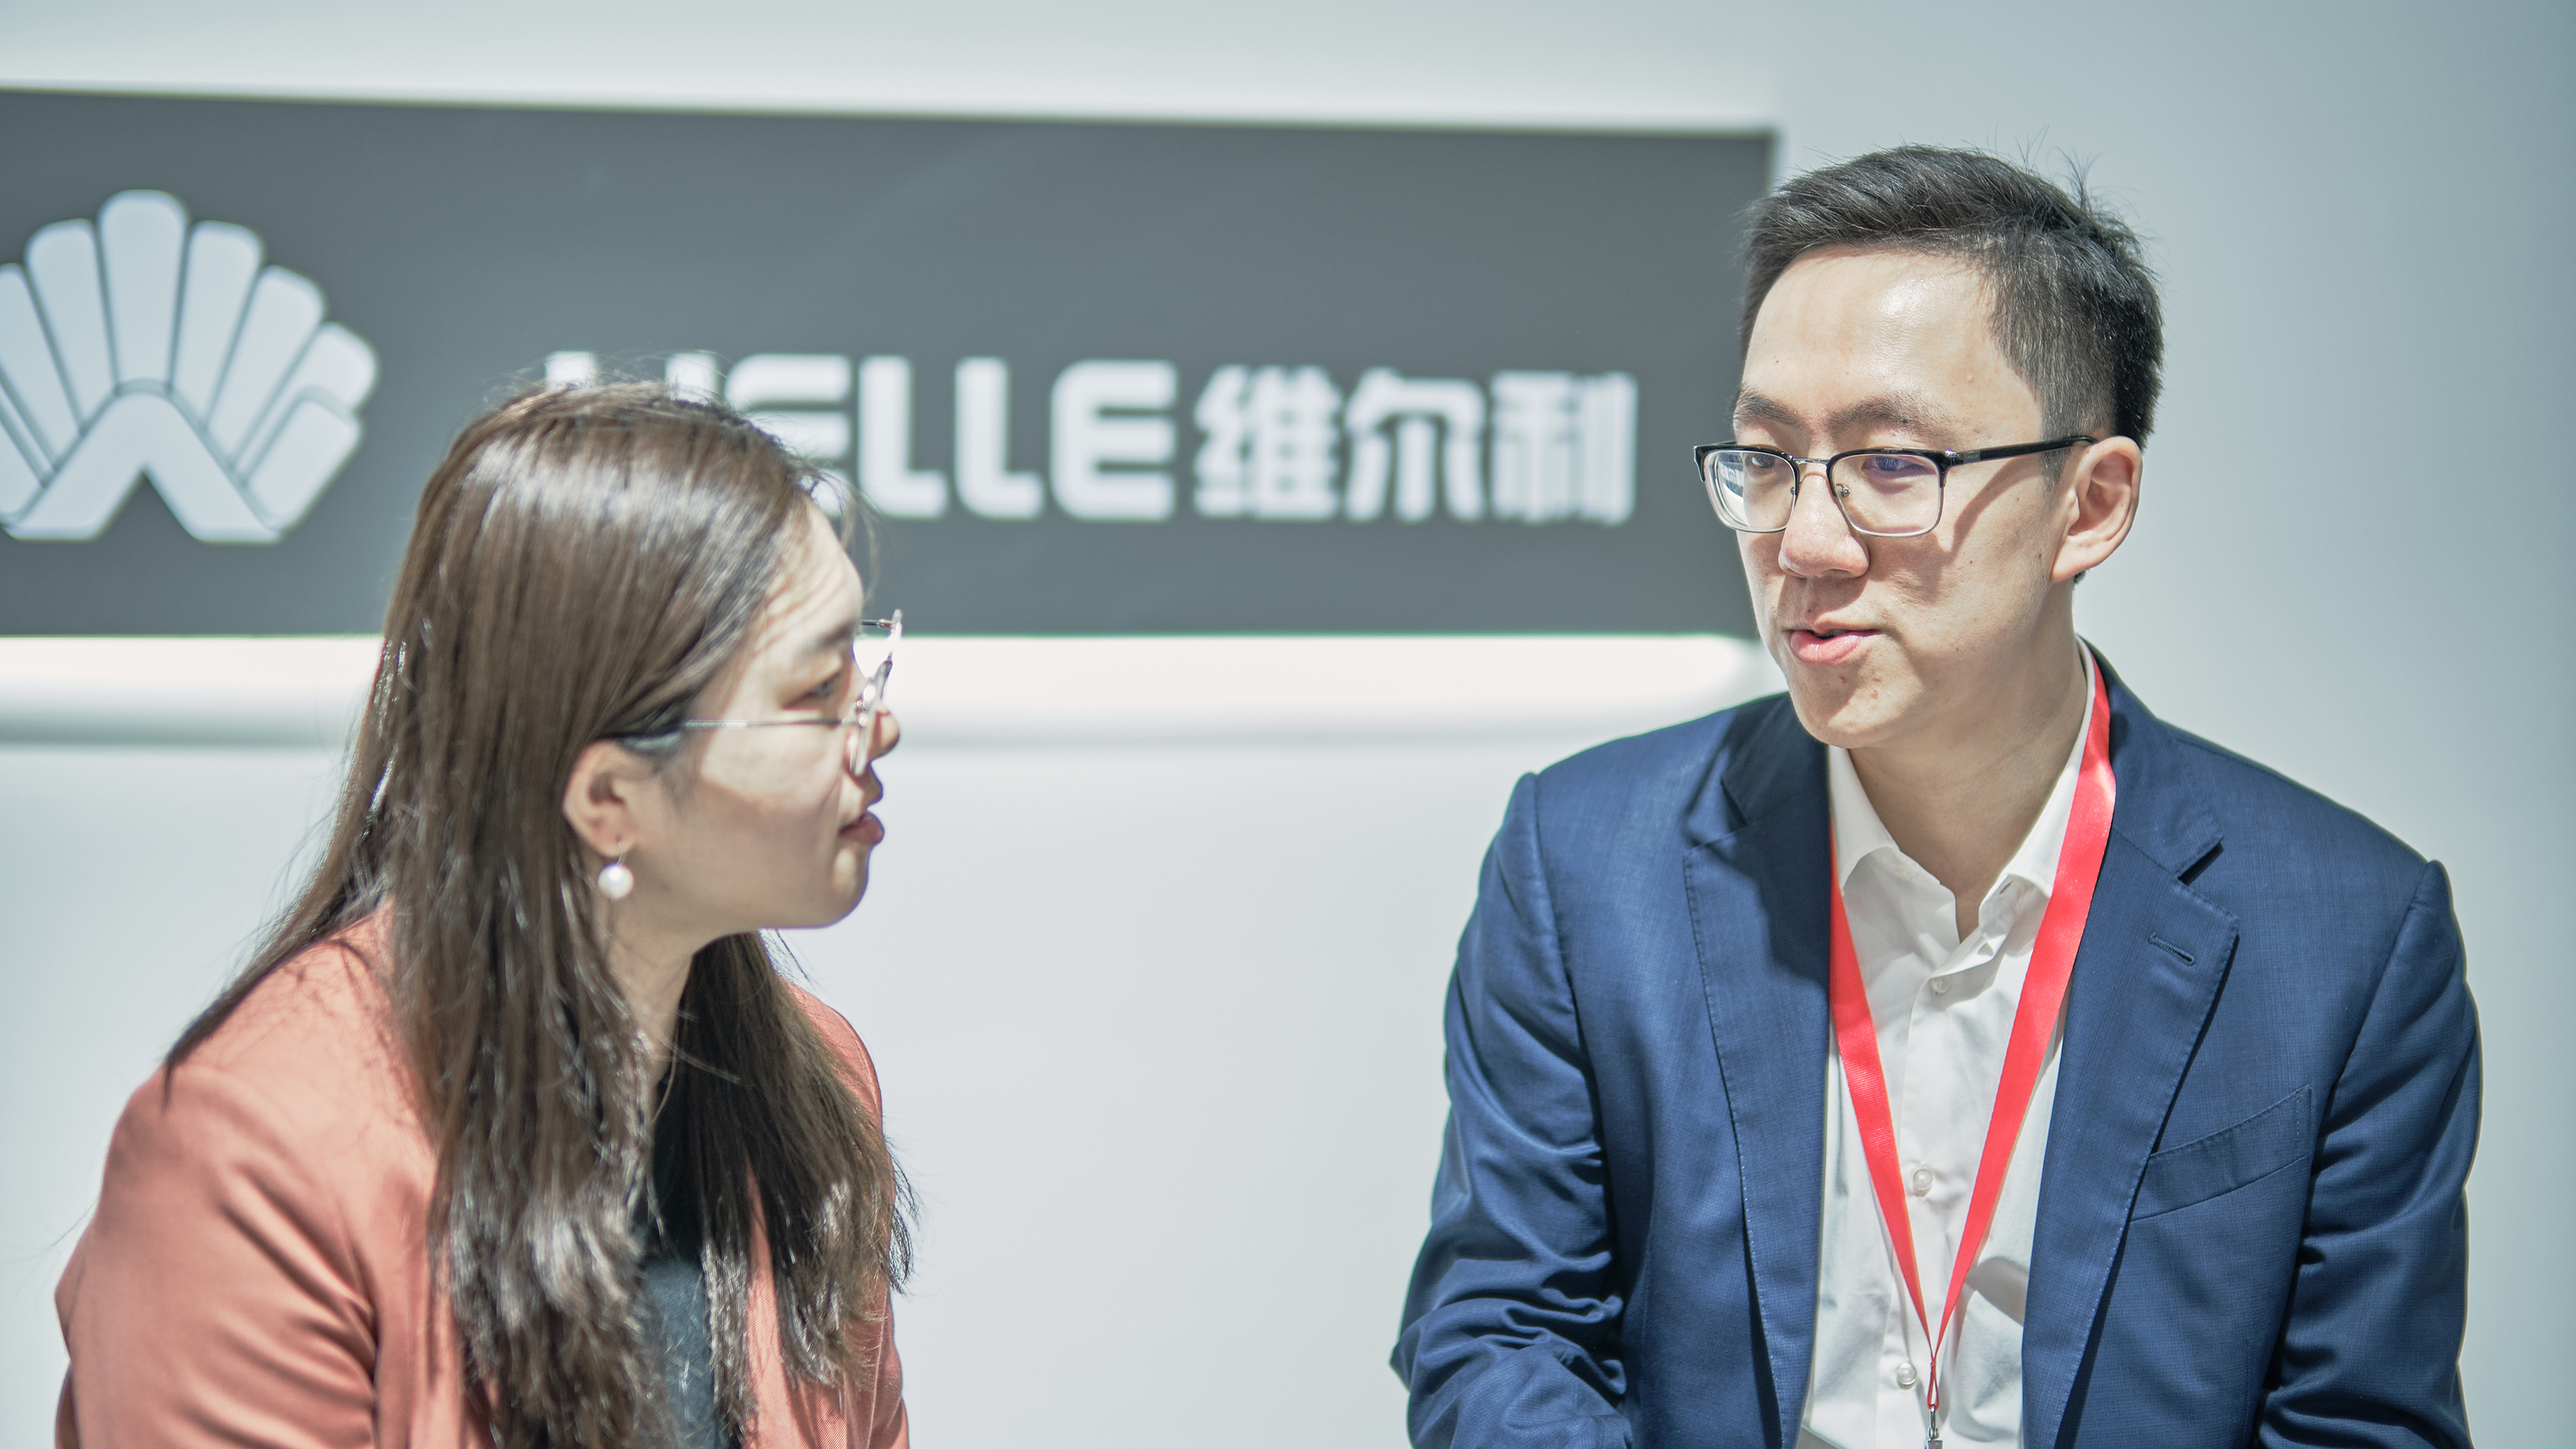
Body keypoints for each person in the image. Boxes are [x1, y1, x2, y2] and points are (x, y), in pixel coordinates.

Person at [1393, 147, 2478, 1448]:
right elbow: (1499, 1333)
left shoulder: (2348, 937)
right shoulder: (1585, 865)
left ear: (2091, 503)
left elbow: (2360, 1421)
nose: (1804, 543)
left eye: (1894, 466)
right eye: (1767, 459)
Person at [55, 385, 913, 1449]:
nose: (880, 724)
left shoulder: (816, 1091)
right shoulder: (248, 1160)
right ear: (609, 799)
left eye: (868, 657)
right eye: (819, 690)